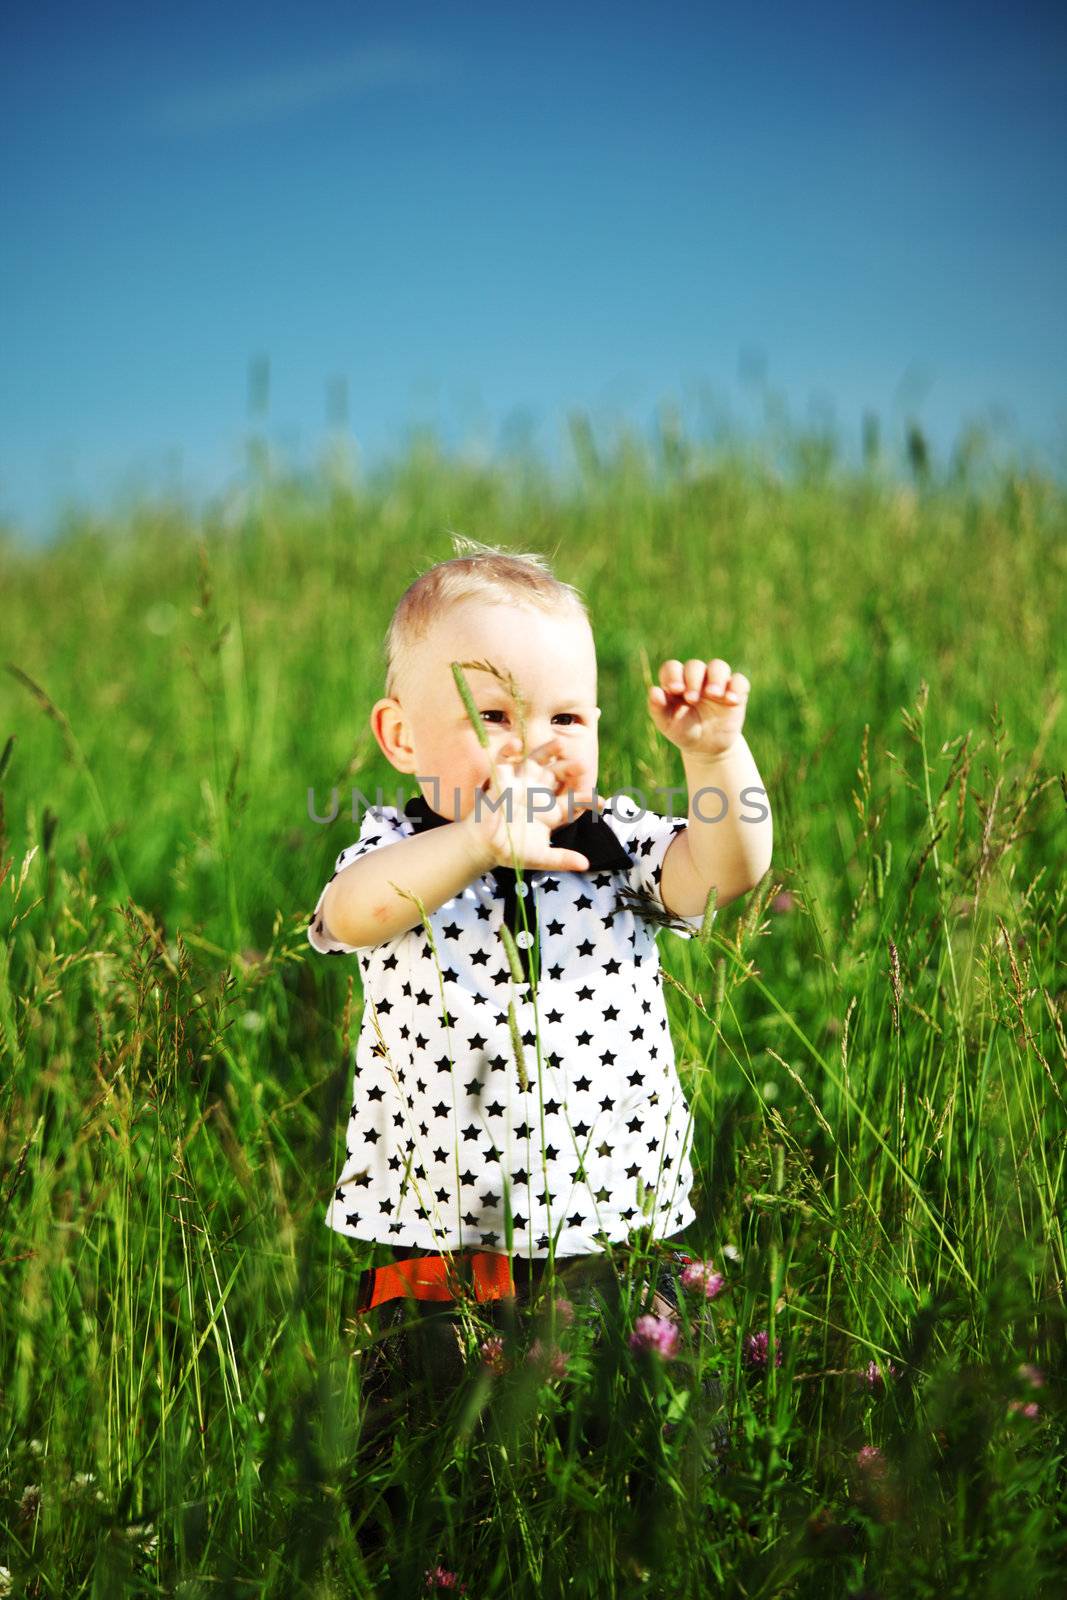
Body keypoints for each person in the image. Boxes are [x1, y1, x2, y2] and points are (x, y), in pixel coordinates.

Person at [307, 537, 772, 1535]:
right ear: (401, 737)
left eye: (564, 717)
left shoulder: (614, 849)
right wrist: (475, 840)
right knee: (421, 1504)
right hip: (438, 1262)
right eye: (494, 717)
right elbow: (349, 914)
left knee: (634, 1494)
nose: (534, 745)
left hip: (616, 1250)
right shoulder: (400, 853)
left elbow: (727, 866)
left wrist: (712, 755)